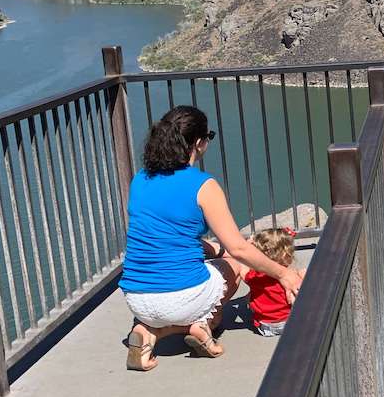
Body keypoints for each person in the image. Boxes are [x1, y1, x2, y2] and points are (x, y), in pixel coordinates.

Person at [120, 105, 304, 372]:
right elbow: (238, 248)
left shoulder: (140, 179)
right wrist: (283, 274)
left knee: (219, 256)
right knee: (236, 265)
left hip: (135, 296)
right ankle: (199, 327)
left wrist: (215, 250)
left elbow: (168, 237)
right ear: (198, 143)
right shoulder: (203, 186)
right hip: (179, 297)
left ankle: (147, 331)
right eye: (208, 137)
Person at [244, 226, 303, 337]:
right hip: (289, 323)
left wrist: (248, 248)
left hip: (265, 327)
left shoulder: (254, 276)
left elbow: (242, 269)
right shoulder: (290, 278)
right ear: (286, 255)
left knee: (250, 295)